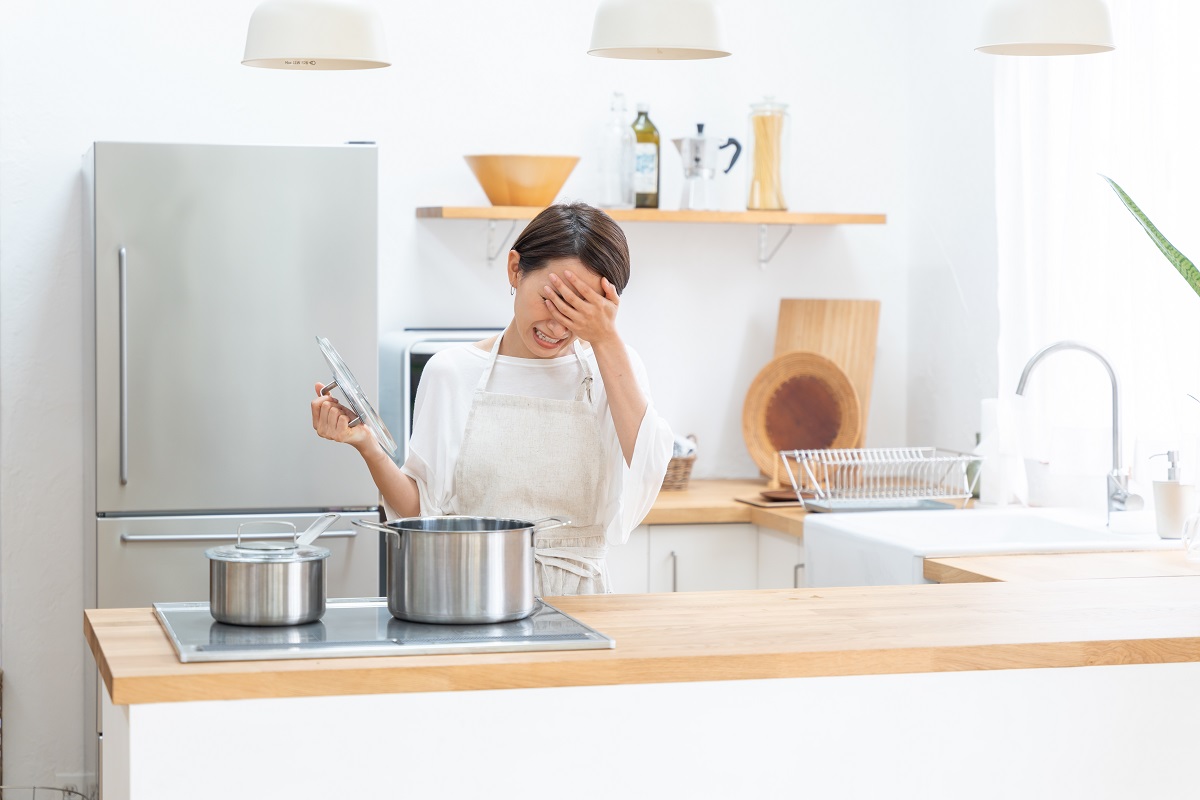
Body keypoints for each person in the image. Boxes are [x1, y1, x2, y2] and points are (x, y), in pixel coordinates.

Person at [312, 202, 673, 595]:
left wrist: (605, 339)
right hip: (472, 595)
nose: (557, 325)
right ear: (515, 269)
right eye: (553, 299)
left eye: (579, 309)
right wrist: (367, 446)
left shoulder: (613, 369)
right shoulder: (451, 371)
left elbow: (649, 469)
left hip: (579, 603)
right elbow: (421, 512)